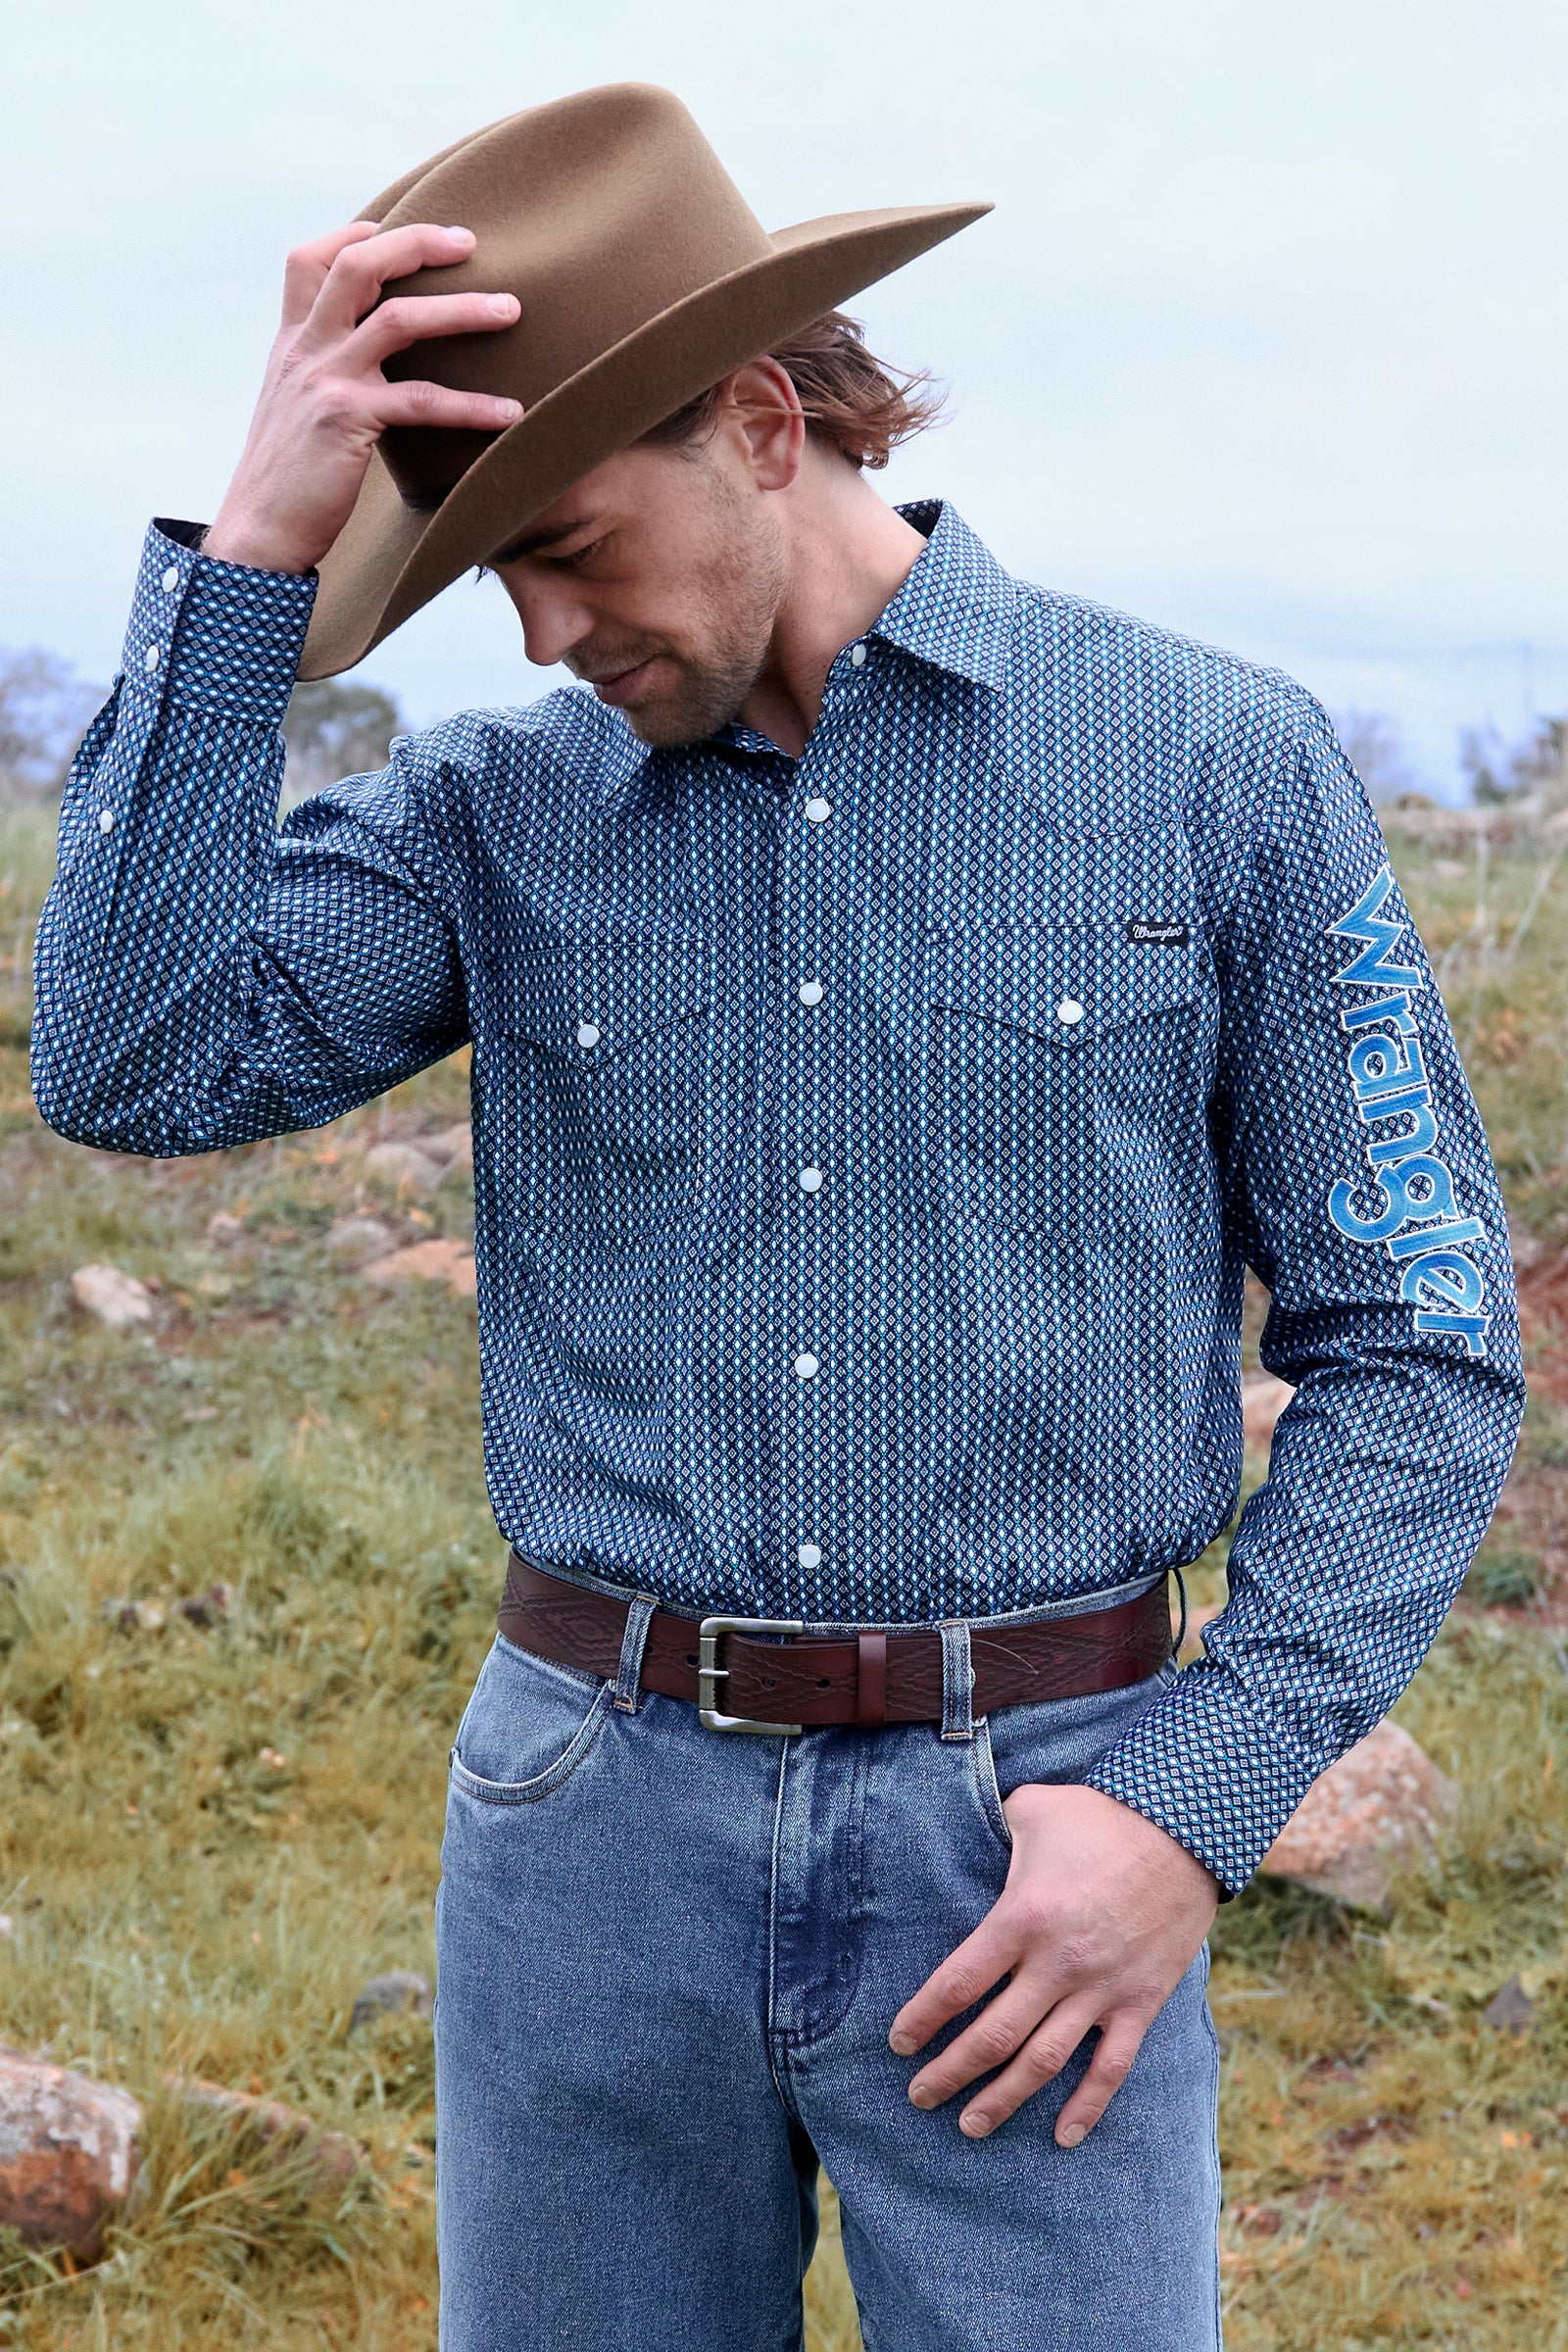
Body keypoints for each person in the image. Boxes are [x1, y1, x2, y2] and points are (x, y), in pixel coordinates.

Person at [31, 80, 1522, 2352]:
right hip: (583, 1831)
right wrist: (253, 550)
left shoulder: (1211, 763)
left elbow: (1416, 1342)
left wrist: (1184, 1809)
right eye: (490, 573)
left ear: (754, 421)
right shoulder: (486, 817)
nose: (536, 635)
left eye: (569, 547)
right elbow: (133, 1066)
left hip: (1043, 1840)